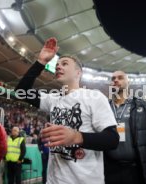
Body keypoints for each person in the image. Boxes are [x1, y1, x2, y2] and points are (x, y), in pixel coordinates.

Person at [15, 37, 119, 184]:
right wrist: (41, 62)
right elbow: (21, 91)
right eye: (57, 64)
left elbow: (112, 139)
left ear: (78, 73)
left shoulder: (94, 97)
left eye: (64, 64)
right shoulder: (53, 99)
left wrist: (77, 137)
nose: (58, 67)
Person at [104, 70, 146, 184]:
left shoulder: (144, 106)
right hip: (110, 170)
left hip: (138, 169)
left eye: (120, 78)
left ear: (128, 82)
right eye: (113, 78)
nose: (115, 80)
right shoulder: (103, 107)